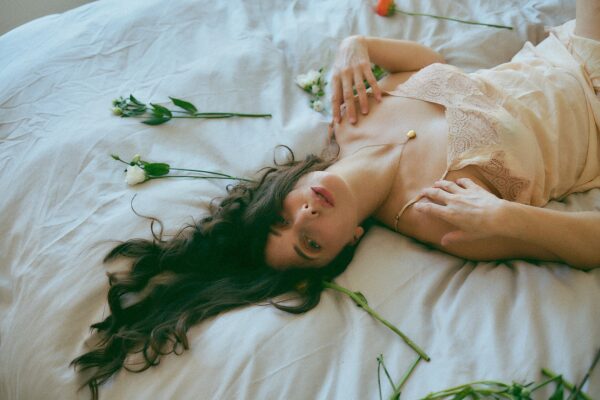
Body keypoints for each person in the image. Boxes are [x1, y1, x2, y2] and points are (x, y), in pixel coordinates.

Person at [72, 1, 600, 398]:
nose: (304, 215)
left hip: (572, 45)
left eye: (281, 217)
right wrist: (506, 217)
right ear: (348, 242)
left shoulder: (349, 119)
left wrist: (356, 44)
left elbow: (433, 65)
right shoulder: (443, 217)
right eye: (309, 243)